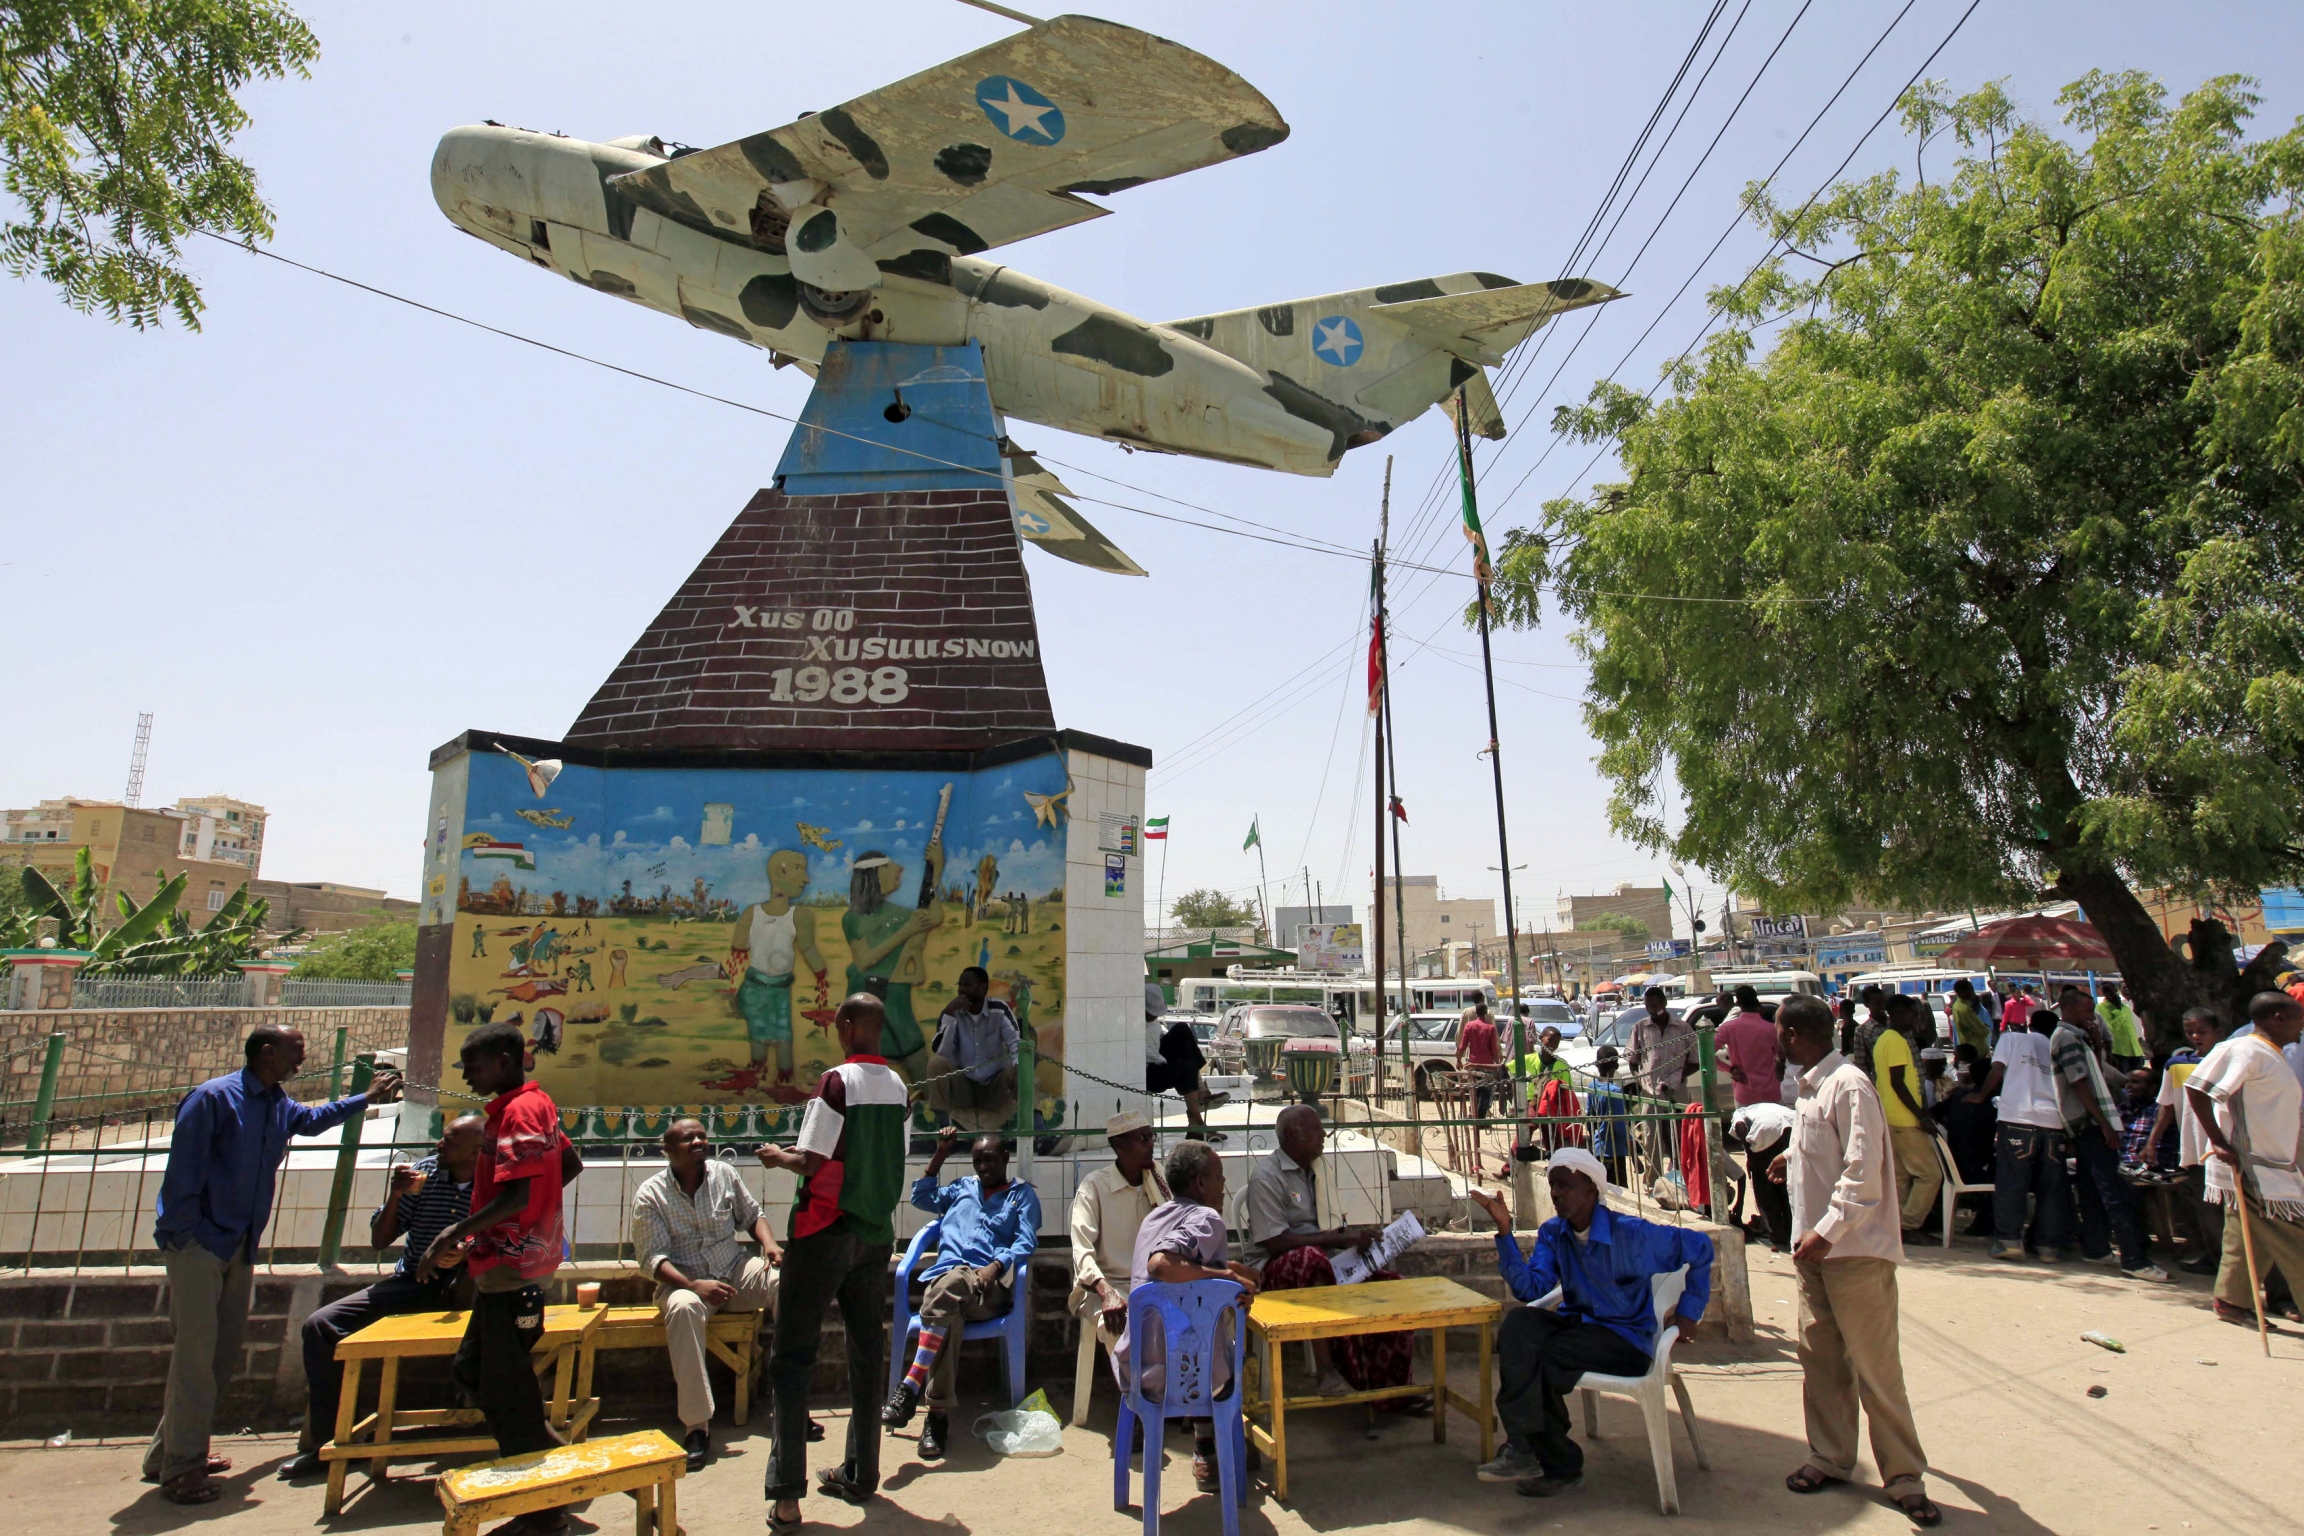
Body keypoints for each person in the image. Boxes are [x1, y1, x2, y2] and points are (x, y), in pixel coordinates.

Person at [144, 1025, 402, 1504]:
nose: (300, 1061)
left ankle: (171, 1453)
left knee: (217, 1356)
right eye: (295, 1052)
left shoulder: (274, 1102)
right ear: (267, 1053)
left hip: (238, 1244)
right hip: (200, 1245)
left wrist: (362, 1099)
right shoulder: (213, 1099)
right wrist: (186, 1237)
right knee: (196, 1359)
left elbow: (308, 1120)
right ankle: (182, 1468)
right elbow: (183, 1174)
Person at [1773, 995, 1938, 1527]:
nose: (1775, 1037)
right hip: (1813, 1253)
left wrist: (1826, 1233)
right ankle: (1831, 1457)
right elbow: (1826, 1148)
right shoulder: (1811, 1089)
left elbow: (1862, 1172)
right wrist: (1790, 1155)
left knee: (1876, 1369)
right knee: (1821, 1361)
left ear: (1795, 1034)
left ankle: (1904, 1476)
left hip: (1853, 1252)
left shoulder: (1849, 1084)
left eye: (1779, 1029)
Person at [1465, 1150, 1709, 1498]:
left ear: (1592, 1190)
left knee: (1546, 1357)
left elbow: (1700, 1248)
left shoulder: (1633, 1235)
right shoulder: (1554, 1234)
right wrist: (1505, 1232)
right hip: (1580, 1328)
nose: (1556, 1194)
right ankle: (1522, 1447)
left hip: (1625, 1340)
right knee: (1519, 1326)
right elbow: (1530, 1288)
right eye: (1553, 1186)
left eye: (1566, 1186)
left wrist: (1688, 1311)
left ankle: (1557, 1463)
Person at [415, 1024, 580, 1533]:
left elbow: (517, 1196)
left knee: (504, 1389)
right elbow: (567, 1163)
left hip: (515, 1271)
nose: (467, 1075)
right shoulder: (519, 1109)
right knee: (476, 1374)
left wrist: (453, 1234)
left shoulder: (519, 1112)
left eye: (475, 1066)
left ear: (507, 1060)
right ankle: (555, 1465)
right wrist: (521, 1217)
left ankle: (544, 1505)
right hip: (505, 1262)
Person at [756, 994, 912, 1525]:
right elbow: (892, 1158)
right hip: (874, 1235)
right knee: (867, 1353)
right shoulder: (898, 1086)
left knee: (791, 1355)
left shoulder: (837, 1082)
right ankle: (862, 1474)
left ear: (846, 1026)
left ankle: (786, 1494)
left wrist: (778, 1157)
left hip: (823, 1229)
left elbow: (812, 1157)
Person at [280, 1114, 482, 1481]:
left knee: (479, 1288)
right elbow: (379, 1240)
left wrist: (467, 1251)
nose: (439, 1145)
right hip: (414, 1283)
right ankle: (333, 1442)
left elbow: (511, 1234)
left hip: (468, 1289)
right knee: (321, 1327)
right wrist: (396, 1195)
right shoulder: (425, 1174)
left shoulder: (496, 1183)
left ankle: (486, 1414)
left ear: (475, 1153)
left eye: (450, 1142)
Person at [883, 1128, 1042, 1460]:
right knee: (949, 1308)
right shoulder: (962, 1189)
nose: (982, 1167)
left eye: (989, 1160)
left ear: (1004, 1159)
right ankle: (935, 1418)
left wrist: (995, 1266)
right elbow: (921, 1197)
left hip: (987, 1292)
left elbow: (1025, 1241)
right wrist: (940, 1153)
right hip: (949, 1286)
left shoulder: (1021, 1196)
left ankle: (911, 1385)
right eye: (977, 1161)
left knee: (948, 1288)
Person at [634, 1117, 783, 1470]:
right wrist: (693, 1285)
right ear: (668, 1151)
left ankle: (788, 1404)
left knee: (784, 1285)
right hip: (685, 1283)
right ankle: (697, 1427)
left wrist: (770, 1244)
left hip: (732, 1270)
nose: (699, 1142)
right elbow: (651, 1259)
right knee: (683, 1309)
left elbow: (753, 1216)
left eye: (702, 1136)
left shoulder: (723, 1174)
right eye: (688, 1139)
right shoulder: (651, 1194)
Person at [1119, 1139, 1261, 1493]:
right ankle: (1211, 1445)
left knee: (1196, 1335)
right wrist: (1227, 1279)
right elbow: (1164, 1265)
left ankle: (1206, 1446)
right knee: (1222, 1349)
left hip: (1137, 1369)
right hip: (1185, 1376)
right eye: (1219, 1177)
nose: (1223, 1186)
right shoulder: (1206, 1218)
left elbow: (1186, 1268)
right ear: (1200, 1182)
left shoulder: (1155, 1217)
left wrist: (1226, 1268)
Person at [1243, 1104, 1407, 1397]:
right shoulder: (1267, 1176)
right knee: (1312, 1259)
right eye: (1317, 1129)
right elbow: (1274, 1242)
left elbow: (1327, 1228)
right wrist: (1333, 1240)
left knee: (1390, 1288)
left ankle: (1392, 1389)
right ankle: (1326, 1371)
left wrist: (1352, 1237)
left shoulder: (1319, 1169)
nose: (1324, 1134)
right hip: (1274, 1267)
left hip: (1322, 1259)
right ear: (1295, 1133)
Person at [2187, 991, 2304, 1330]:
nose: (2302, 1027)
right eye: (2299, 1019)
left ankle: (2231, 1300)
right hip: (2254, 1165)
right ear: (2278, 1018)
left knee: (2246, 1237)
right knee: (2295, 1239)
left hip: (2275, 1162)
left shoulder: (2272, 1054)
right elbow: (2197, 1088)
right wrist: (2218, 1141)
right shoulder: (2243, 1049)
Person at [2051, 991, 2167, 1280]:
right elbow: (2079, 1084)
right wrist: (2103, 1122)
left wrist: (2097, 1042)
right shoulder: (2066, 1038)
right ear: (2069, 1008)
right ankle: (2134, 1259)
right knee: (2114, 1191)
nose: (2092, 1017)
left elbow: (2096, 1072)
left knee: (2091, 1188)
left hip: (2088, 1121)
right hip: (2089, 1122)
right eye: (2087, 1010)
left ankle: (2095, 1247)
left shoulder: (2078, 1037)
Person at [1068, 1111, 1171, 1386]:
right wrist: (1107, 1293)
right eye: (1143, 1139)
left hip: (1154, 1283)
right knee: (1118, 1326)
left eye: (1151, 1137)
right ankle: (1136, 1403)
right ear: (1120, 1145)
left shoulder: (1159, 1178)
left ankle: (1173, 1397)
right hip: (1106, 1286)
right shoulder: (1093, 1188)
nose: (1151, 1144)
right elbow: (1082, 1253)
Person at [1972, 1007, 2077, 1261]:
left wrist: (1980, 1095)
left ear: (2030, 1024)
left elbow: (1997, 1069)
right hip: (2052, 1121)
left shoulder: (2012, 1038)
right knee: (2051, 1186)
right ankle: (2048, 1246)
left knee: (2012, 1181)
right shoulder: (2057, 1046)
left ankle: (2009, 1240)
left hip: (2017, 1117)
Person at [729, 849, 829, 1094]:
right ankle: (762, 1069)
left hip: (775, 986)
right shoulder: (753, 913)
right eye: (799, 870)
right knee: (766, 1030)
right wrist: (820, 970)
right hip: (757, 985)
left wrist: (819, 970)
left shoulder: (798, 915)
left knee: (778, 1030)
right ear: (781, 872)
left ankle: (782, 1072)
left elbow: (739, 946)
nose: (806, 879)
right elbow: (806, 948)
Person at [841, 853, 942, 1082]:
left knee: (917, 1062)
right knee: (864, 1072)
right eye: (888, 866)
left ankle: (932, 1114)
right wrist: (905, 932)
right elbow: (864, 960)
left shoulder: (899, 914)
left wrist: (934, 873)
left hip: (897, 1001)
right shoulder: (853, 918)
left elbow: (934, 916)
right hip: (868, 1001)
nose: (898, 869)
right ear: (873, 875)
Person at [2145, 1006, 2228, 1274]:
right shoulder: (2177, 1065)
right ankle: (2218, 1261)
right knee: (2206, 1212)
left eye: (2201, 1031)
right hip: (2194, 1150)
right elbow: (2166, 1106)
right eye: (2190, 1032)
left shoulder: (2229, 1062)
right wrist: (2151, 1142)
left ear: (2218, 1032)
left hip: (2226, 1148)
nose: (2195, 1036)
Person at [1871, 995, 1943, 1240]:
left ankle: (1897, 1225)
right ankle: (1910, 1224)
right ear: (1897, 1014)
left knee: (1901, 1177)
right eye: (1912, 1014)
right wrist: (1921, 1115)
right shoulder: (1895, 1041)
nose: (1915, 1020)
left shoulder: (1885, 1040)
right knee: (1930, 1175)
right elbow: (1897, 1083)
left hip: (1891, 1116)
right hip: (1904, 1119)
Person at [925, 967, 1020, 1128]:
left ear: (983, 988)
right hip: (963, 1088)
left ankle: (1036, 1126)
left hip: (994, 1087)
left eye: (968, 985)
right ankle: (942, 1128)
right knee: (936, 1063)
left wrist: (1019, 1067)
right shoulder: (951, 1013)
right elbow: (941, 1050)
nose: (962, 990)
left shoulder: (999, 1010)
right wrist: (949, 1014)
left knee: (1021, 1065)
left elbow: (1015, 1043)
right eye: (960, 985)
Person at [1627, 988, 1696, 1179]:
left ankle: (1683, 1178)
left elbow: (1695, 1061)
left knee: (1681, 1135)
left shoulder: (1683, 1028)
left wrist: (1677, 1077)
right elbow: (1633, 1062)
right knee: (1651, 1137)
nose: (1652, 1009)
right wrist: (1642, 1082)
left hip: (1676, 1089)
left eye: (1655, 1005)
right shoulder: (1640, 1027)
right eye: (1648, 1006)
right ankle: (1653, 1180)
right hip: (1651, 1090)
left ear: (1664, 1004)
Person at [1145, 981, 1223, 1141]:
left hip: (1159, 1060)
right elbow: (1151, 1055)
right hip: (1147, 1071)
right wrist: (1172, 1059)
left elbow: (1160, 1041)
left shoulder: (1153, 1023)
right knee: (1186, 1068)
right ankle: (1196, 1123)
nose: (1154, 1015)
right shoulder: (1133, 1023)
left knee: (1181, 1029)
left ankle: (1201, 1092)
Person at [1727, 1100, 1796, 1251]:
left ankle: (1778, 1237)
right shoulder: (1767, 1107)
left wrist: (1750, 1155)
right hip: (1793, 1126)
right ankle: (1793, 1233)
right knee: (1787, 1186)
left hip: (1766, 1130)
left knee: (1764, 1188)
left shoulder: (1739, 1112)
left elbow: (1739, 1126)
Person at [1716, 986, 1782, 1110]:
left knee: (1746, 1128)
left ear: (1737, 1003)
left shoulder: (1729, 1028)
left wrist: (1729, 1069)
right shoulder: (1771, 1029)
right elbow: (1782, 1056)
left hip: (1744, 1092)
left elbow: (1705, 1053)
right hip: (1770, 1091)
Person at [1583, 1047, 1632, 1187]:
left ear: (1597, 1064)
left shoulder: (1593, 1085)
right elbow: (1620, 1126)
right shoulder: (1615, 1092)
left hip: (1598, 1147)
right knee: (1618, 1190)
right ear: (1616, 1066)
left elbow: (1589, 1116)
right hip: (1614, 1150)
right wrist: (1634, 1155)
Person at [1455, 998, 1505, 1119]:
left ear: (1476, 1013)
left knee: (1474, 1090)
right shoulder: (1490, 1028)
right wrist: (1497, 1062)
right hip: (1487, 1064)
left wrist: (1458, 1060)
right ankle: (1481, 1116)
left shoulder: (1469, 1026)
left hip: (1472, 1063)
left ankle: (1474, 1113)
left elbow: (1462, 1045)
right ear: (1486, 1012)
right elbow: (1494, 1047)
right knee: (1486, 1091)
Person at [2100, 983, 2144, 1072]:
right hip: (2119, 1052)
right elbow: (2110, 1028)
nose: (2110, 994)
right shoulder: (2101, 1008)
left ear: (2115, 991)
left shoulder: (2126, 1008)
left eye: (2111, 991)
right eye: (2106, 992)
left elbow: (2133, 1027)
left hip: (2136, 1050)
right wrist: (2118, 1011)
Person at [1948, 980, 1991, 1062]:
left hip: (1968, 1046)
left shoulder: (1957, 1005)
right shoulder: (1965, 1009)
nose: (1972, 993)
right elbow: (1982, 1031)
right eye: (1970, 990)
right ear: (1962, 992)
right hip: (1975, 1050)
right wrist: (1986, 1027)